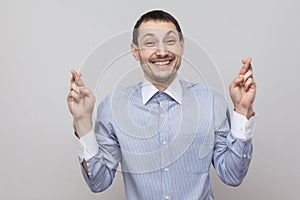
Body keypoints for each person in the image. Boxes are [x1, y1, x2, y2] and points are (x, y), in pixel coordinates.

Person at [67, 10, 256, 200]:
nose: (162, 51)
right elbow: (98, 182)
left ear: (181, 46)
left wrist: (242, 111)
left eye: (170, 41)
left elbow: (232, 175)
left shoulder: (211, 102)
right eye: (150, 43)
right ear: (135, 51)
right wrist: (82, 122)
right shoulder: (113, 107)